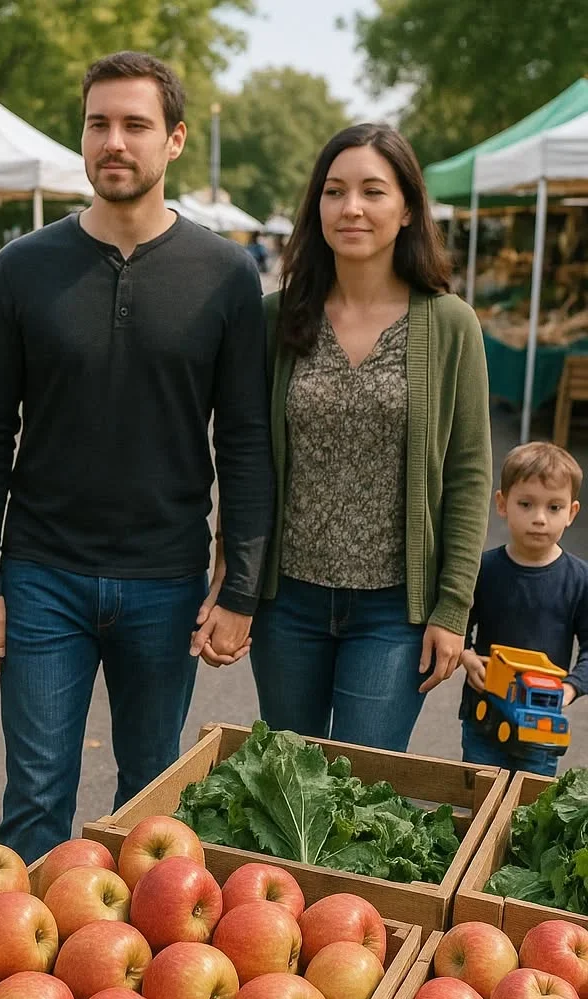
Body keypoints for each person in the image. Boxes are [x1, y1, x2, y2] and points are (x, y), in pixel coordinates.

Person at [0, 51, 272, 864]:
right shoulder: (23, 268)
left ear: (173, 141)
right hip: (41, 575)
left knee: (152, 804)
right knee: (33, 803)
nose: (115, 141)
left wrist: (239, 584)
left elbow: (243, 437)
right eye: (99, 123)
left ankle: (133, 985)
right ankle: (22, 982)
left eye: (136, 125)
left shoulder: (227, 276)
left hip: (165, 580)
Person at [210, 122, 492, 751]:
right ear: (317, 206)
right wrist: (232, 574)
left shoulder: (449, 325)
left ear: (409, 209)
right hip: (289, 606)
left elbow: (471, 473)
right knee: (289, 788)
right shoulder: (277, 319)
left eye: (373, 191)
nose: (352, 207)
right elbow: (245, 456)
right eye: (335, 192)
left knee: (364, 790)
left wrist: (453, 609)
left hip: (393, 613)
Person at [460, 442, 588, 776]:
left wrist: (570, 688)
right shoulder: (483, 569)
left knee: (528, 808)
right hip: (484, 713)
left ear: (572, 512)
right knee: (480, 799)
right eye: (526, 504)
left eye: (554, 507)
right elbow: (458, 624)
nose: (540, 519)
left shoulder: (579, 579)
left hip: (541, 729)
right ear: (502, 504)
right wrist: (467, 656)